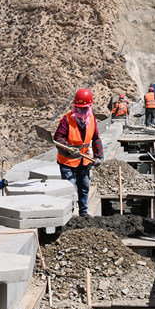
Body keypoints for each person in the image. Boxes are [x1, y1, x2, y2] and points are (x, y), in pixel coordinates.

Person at [55, 88, 104, 217]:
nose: (82, 111)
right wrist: (69, 149)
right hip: (67, 161)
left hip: (84, 160)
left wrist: (98, 156)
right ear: (75, 106)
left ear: (89, 107)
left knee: (84, 186)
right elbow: (58, 138)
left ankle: (83, 212)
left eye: (85, 108)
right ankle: (69, 215)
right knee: (70, 188)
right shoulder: (67, 120)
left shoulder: (91, 119)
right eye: (79, 108)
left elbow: (96, 139)